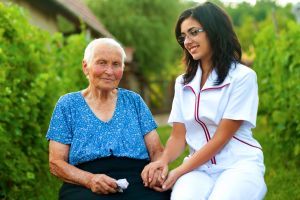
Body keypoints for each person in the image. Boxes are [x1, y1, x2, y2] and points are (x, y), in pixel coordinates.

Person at [141, 2, 267, 200]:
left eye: (194, 32)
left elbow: (220, 138)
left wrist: (179, 171)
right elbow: (178, 136)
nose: (187, 41)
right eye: (183, 37)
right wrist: (163, 160)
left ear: (214, 31)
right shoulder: (182, 83)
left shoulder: (242, 77)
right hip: (199, 169)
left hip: (239, 165)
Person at [46, 38, 170, 200]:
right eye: (102, 63)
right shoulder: (68, 105)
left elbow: (157, 151)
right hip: (85, 183)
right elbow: (56, 163)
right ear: (85, 67)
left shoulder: (134, 101)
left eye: (116, 64)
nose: (109, 71)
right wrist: (90, 180)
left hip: (138, 179)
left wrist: (156, 167)